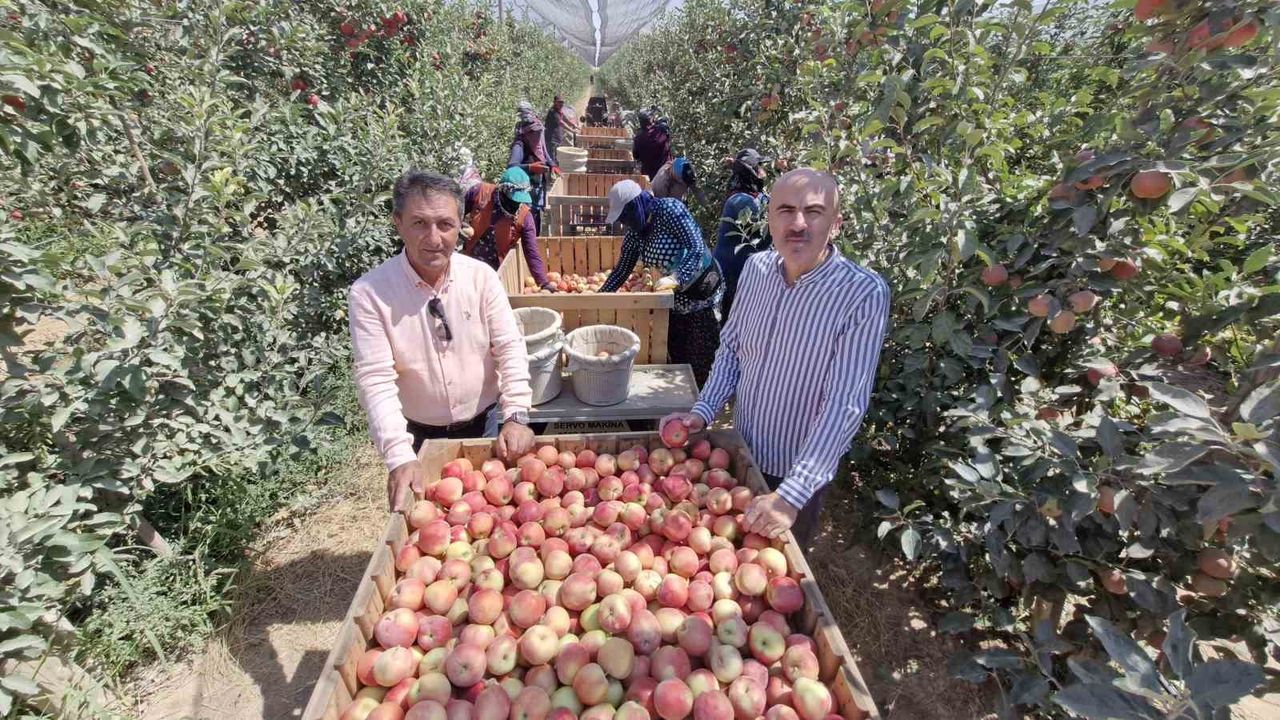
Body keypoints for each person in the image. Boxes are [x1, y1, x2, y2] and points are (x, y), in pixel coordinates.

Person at [660, 169, 891, 549]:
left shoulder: (862, 293)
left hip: (796, 471)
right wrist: (702, 411)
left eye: (813, 212)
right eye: (785, 210)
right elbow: (732, 350)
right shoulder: (756, 270)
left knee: (776, 564)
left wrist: (792, 494)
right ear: (769, 219)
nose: (798, 223)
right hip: (740, 453)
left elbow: (845, 403)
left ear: (836, 224)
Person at [348, 170, 537, 512]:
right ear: (398, 223)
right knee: (434, 519)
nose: (434, 238)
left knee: (487, 515)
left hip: (484, 425)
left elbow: (509, 346)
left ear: (460, 225)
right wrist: (399, 455)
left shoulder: (481, 278)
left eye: (445, 224)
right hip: (420, 436)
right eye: (419, 223)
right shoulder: (370, 293)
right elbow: (376, 379)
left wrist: (516, 414)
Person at [599, 179, 723, 386]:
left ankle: (702, 401)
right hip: (676, 299)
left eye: (626, 215)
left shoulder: (670, 210)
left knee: (701, 356)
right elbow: (621, 271)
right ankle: (682, 398)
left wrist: (677, 277)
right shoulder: (636, 234)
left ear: (636, 204)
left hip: (703, 292)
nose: (625, 222)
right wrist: (599, 297)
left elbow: (696, 246)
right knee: (678, 353)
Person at [462, 167, 556, 292]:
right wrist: (458, 227)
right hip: (469, 263)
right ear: (502, 190)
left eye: (519, 200)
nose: (516, 204)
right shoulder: (480, 193)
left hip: (496, 272)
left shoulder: (525, 217)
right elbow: (455, 212)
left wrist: (543, 282)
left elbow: (531, 252)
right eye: (513, 199)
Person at [713, 149, 772, 324]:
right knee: (734, 320)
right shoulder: (741, 201)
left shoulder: (751, 195)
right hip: (734, 274)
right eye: (760, 167)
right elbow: (765, 234)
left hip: (741, 272)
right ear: (751, 172)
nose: (764, 171)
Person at [509, 100, 557, 232]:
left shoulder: (538, 139)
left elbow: (544, 152)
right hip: (526, 190)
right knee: (528, 218)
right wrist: (530, 168)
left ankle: (536, 237)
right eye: (535, 133)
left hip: (538, 187)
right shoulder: (520, 145)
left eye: (539, 133)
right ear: (527, 134)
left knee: (536, 215)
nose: (538, 135)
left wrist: (552, 165)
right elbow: (512, 167)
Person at [631, 109, 672, 180]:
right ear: (651, 120)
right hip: (666, 173)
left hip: (648, 177)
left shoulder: (638, 138)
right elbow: (666, 129)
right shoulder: (661, 131)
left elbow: (636, 156)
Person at [544, 95, 580, 166]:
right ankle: (551, 171)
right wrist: (572, 130)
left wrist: (574, 125)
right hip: (551, 140)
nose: (561, 104)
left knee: (557, 159)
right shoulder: (553, 112)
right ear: (554, 102)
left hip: (557, 140)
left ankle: (556, 170)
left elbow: (565, 119)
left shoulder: (559, 111)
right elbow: (561, 123)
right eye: (559, 102)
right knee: (552, 160)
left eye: (562, 102)